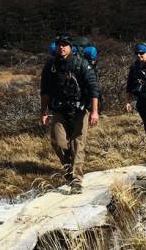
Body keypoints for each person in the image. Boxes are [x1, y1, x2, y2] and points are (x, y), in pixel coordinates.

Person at [40, 35, 101, 194]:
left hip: (81, 110)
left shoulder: (81, 64)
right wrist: (44, 112)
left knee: (77, 144)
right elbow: (45, 92)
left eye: (65, 45)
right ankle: (70, 171)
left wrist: (94, 112)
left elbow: (94, 89)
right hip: (59, 109)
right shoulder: (51, 66)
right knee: (58, 143)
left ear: (71, 47)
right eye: (60, 44)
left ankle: (77, 181)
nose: (62, 47)